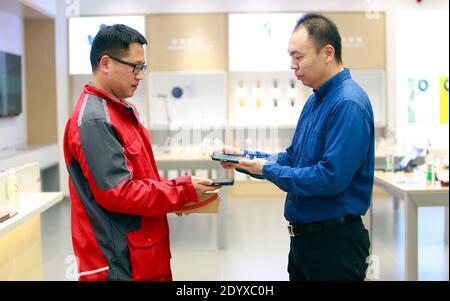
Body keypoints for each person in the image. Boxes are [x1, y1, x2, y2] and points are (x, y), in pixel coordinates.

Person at [219, 13, 374, 281]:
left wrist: (268, 169)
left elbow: (330, 177)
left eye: (298, 56)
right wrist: (246, 159)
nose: (292, 65)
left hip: (335, 246)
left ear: (327, 52)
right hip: (306, 242)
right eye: (290, 56)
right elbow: (293, 157)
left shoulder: (348, 104)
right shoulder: (315, 100)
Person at [63, 24, 217, 281]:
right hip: (120, 262)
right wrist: (180, 192)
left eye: (143, 67)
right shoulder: (95, 120)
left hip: (143, 253)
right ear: (106, 63)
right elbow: (119, 193)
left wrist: (178, 187)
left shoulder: (122, 110)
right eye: (135, 66)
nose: (140, 75)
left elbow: (142, 179)